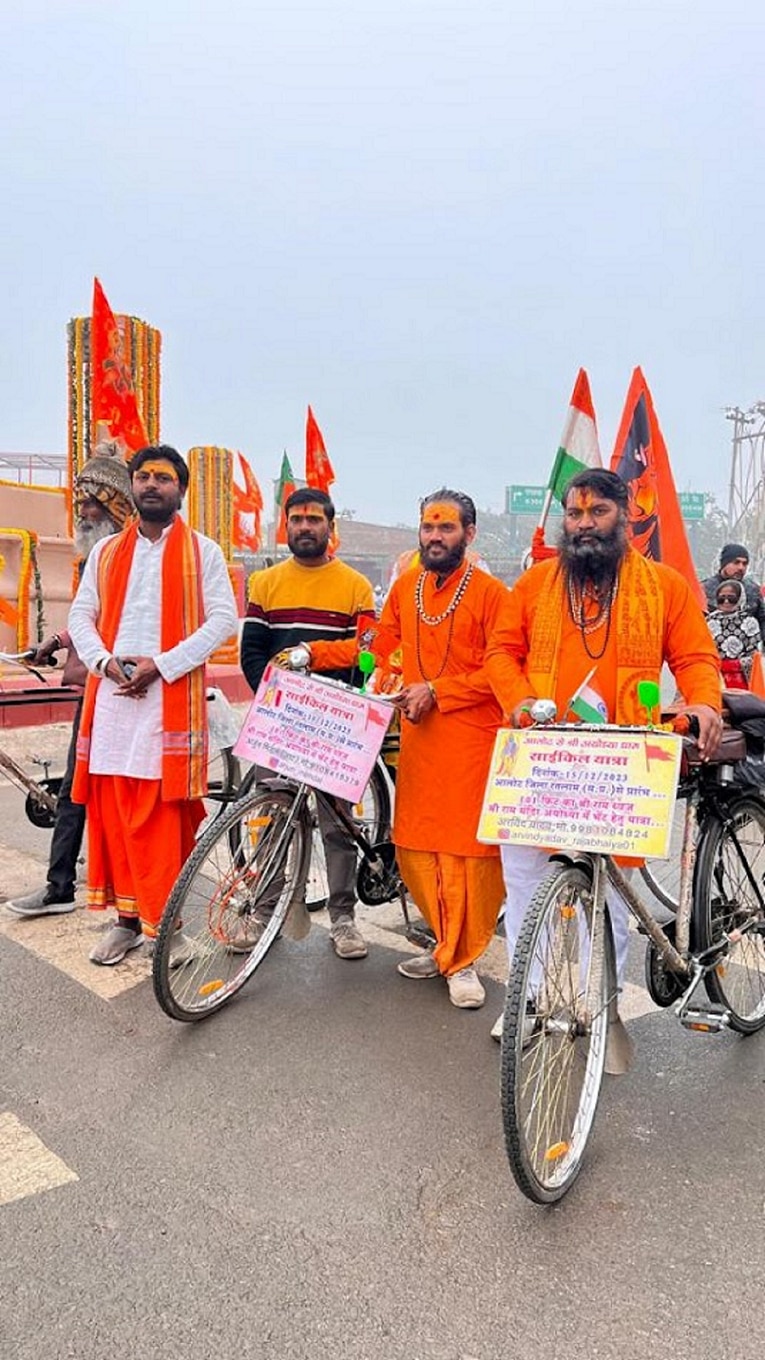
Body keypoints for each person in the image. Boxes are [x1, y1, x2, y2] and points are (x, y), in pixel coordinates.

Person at [486, 467, 722, 1037]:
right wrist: (519, 703)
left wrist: (705, 703)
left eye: (598, 513)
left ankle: (600, 1002)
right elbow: (500, 652)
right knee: (522, 883)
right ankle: (531, 1000)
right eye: (575, 514)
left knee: (613, 896)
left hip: (622, 765)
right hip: (541, 756)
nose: (584, 524)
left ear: (627, 516)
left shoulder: (663, 585)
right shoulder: (538, 584)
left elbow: (694, 658)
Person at [67, 443, 238, 965]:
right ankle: (125, 922)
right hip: (115, 700)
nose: (151, 485)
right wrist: (107, 664)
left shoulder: (202, 552)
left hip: (168, 700)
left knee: (163, 820)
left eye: (163, 478)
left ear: (179, 490)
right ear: (133, 486)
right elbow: (82, 616)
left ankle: (170, 929)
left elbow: (223, 621)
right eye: (144, 477)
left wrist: (159, 666)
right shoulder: (106, 552)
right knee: (115, 813)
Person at [379, 488, 513, 1009]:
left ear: (469, 535)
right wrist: (318, 655)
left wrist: (439, 691)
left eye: (447, 528)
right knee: (415, 846)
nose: (435, 537)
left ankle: (463, 961)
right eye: (429, 527)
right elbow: (381, 644)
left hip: (471, 741)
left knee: (463, 857)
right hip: (419, 738)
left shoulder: (491, 594)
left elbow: (503, 672)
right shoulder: (406, 586)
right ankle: (444, 944)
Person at [240, 487, 375, 960]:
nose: (304, 527)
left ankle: (343, 917)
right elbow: (251, 655)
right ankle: (265, 911)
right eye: (296, 519)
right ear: (286, 525)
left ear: (329, 527)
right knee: (270, 814)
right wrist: (276, 698)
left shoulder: (355, 586)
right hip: (277, 718)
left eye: (314, 519)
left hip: (333, 720)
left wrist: (329, 696)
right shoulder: (265, 584)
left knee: (337, 822)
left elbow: (367, 656)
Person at [6, 440, 135, 918]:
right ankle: (63, 884)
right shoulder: (95, 558)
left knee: (103, 791)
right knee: (77, 788)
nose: (81, 514)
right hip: (97, 685)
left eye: (91, 505)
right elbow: (88, 615)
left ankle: (109, 893)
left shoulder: (129, 557)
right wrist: (58, 641)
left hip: (125, 686)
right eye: (80, 504)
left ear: (115, 508)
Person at [702, 544, 765, 645]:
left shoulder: (752, 589)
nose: (741, 567)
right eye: (736, 562)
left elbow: (762, 619)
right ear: (724, 564)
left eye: (745, 564)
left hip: (746, 654)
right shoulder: (704, 589)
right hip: (711, 651)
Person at [707, 579, 761, 689]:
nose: (726, 601)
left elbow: (754, 655)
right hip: (714, 677)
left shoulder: (749, 621)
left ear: (740, 598)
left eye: (731, 598)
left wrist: (731, 665)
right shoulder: (708, 621)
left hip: (741, 681)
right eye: (722, 598)